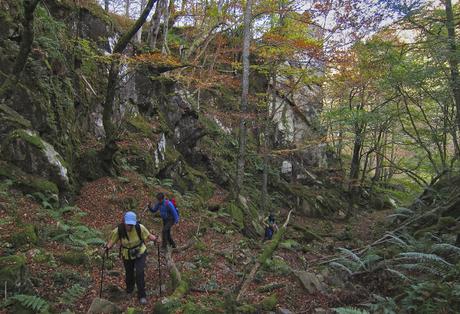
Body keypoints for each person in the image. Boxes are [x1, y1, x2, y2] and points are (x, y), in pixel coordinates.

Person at [103, 211, 158, 305]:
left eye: (131, 224)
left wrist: (156, 239)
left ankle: (142, 295)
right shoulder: (119, 230)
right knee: (129, 273)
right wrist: (107, 247)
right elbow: (112, 241)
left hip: (140, 252)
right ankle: (129, 290)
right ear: (124, 222)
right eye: (128, 224)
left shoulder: (139, 227)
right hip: (127, 254)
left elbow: (148, 235)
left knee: (139, 272)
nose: (130, 226)